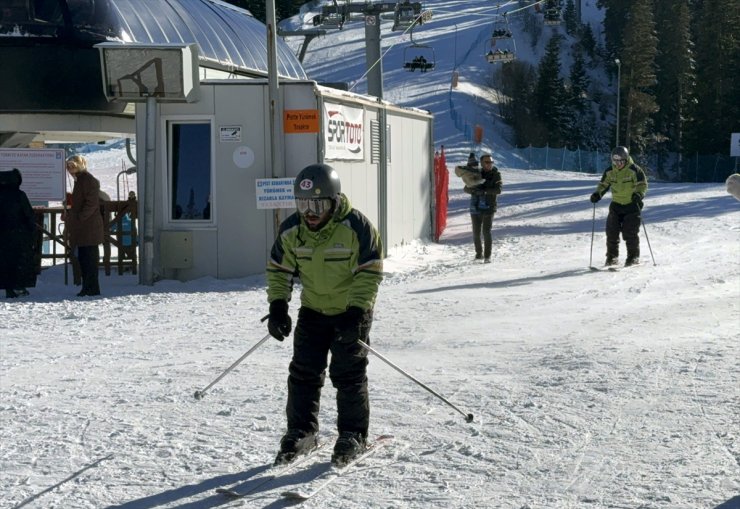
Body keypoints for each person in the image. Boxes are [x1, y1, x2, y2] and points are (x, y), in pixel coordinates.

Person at [265, 163, 383, 467]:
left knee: (348, 374)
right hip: (314, 310)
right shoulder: (292, 229)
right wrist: (278, 306)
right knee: (303, 372)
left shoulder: (357, 227)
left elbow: (369, 273)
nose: (310, 212)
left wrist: (357, 312)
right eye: (303, 204)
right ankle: (301, 431)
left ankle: (353, 434)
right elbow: (279, 270)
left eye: (317, 204)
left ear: (333, 201)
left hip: (350, 312)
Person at [590, 146, 648, 267]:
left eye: (620, 161)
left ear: (626, 160)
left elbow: (642, 184)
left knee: (630, 233)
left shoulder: (634, 170)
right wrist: (597, 194)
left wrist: (638, 194)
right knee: (611, 232)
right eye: (615, 162)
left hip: (631, 205)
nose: (618, 164)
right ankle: (612, 257)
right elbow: (604, 184)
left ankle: (633, 257)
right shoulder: (610, 171)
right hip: (616, 205)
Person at [65, 155, 104, 296]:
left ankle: (91, 288)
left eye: (72, 166)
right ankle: (88, 287)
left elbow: (92, 203)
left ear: (80, 165)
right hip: (83, 227)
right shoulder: (80, 180)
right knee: (84, 259)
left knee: (89, 259)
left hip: (89, 227)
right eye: (68, 167)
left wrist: (80, 217)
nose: (70, 169)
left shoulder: (87, 180)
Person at [0, 169, 36, 298]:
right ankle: (18, 286)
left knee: (4, 262)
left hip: (2, 235)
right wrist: (32, 232)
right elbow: (29, 215)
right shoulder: (19, 195)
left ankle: (8, 288)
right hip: (19, 234)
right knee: (18, 261)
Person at [463, 153, 502, 263]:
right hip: (475, 207)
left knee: (486, 231)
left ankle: (487, 256)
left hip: (489, 206)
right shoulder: (476, 173)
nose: (489, 164)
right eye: (487, 162)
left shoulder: (496, 174)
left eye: (491, 162)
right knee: (476, 233)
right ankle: (478, 254)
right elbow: (466, 188)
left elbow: (498, 190)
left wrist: (485, 191)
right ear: (481, 163)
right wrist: (474, 191)